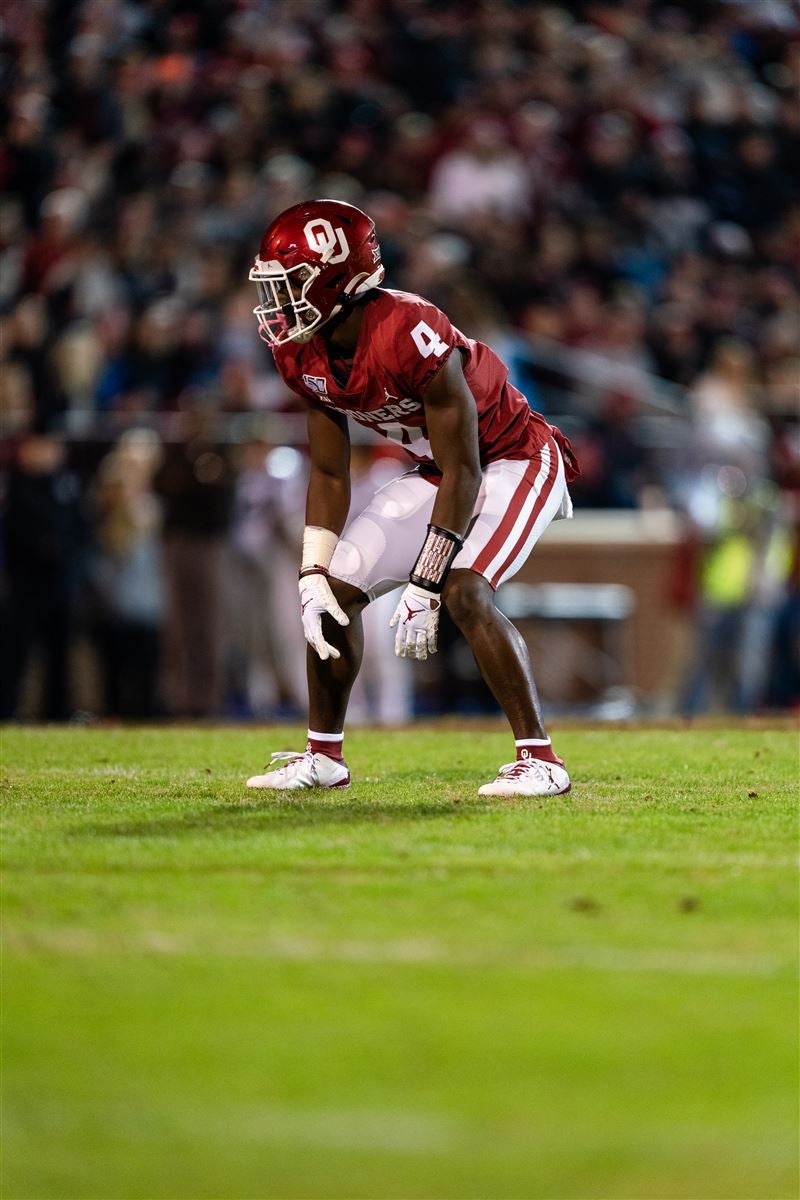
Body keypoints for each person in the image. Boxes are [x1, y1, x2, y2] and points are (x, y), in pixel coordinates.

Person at [244, 199, 579, 797]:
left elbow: (467, 469)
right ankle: (323, 756)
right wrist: (312, 567)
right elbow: (328, 470)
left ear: (335, 279)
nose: (276, 302)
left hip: (514, 459)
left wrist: (424, 582)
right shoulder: (299, 350)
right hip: (442, 469)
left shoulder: (408, 328)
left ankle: (542, 760)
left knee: (463, 591)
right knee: (335, 592)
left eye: (290, 283)